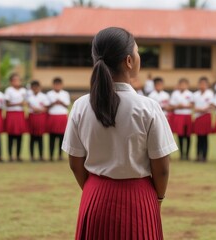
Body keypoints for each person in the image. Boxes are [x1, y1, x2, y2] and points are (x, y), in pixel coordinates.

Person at [62, 27, 177, 239]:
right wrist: (158, 199)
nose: (139, 56)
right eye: (137, 51)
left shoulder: (80, 105)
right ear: (129, 61)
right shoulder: (148, 107)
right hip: (139, 199)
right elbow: (161, 167)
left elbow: (75, 162)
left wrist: (93, 190)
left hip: (94, 195)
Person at [4, 73, 27, 162]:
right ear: (11, 82)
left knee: (20, 136)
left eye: (18, 80)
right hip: (11, 114)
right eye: (15, 80)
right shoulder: (8, 90)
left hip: (20, 114)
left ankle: (18, 155)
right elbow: (7, 103)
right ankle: (10, 155)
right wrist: (19, 103)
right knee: (10, 135)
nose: (17, 82)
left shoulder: (23, 90)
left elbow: (26, 102)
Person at [46, 77, 70, 161]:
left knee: (61, 137)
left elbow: (67, 105)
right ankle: (51, 155)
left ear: (61, 85)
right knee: (52, 137)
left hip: (62, 116)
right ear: (53, 85)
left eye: (59, 85)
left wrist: (61, 102)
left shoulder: (65, 94)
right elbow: (47, 106)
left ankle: (60, 155)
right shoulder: (49, 94)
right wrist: (54, 103)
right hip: (53, 116)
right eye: (56, 85)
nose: (57, 86)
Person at [170, 78, 193, 160]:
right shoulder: (175, 94)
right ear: (179, 85)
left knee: (188, 135)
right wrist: (177, 106)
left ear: (187, 85)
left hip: (187, 115)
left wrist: (183, 106)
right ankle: (181, 154)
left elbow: (192, 105)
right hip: (179, 115)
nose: (183, 86)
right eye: (181, 84)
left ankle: (187, 154)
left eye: (184, 84)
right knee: (180, 135)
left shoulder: (190, 94)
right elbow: (172, 105)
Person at [193, 76, 214, 162]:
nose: (202, 86)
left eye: (204, 84)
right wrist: (199, 109)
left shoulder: (210, 94)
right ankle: (198, 155)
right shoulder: (195, 94)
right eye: (201, 84)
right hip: (198, 117)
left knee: (205, 137)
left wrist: (203, 109)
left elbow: (211, 105)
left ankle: (204, 156)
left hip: (206, 116)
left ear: (207, 85)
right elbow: (193, 106)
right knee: (198, 137)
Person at [27, 80, 49, 162]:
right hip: (32, 117)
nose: (35, 89)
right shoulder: (29, 97)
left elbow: (46, 107)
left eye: (37, 88)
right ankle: (32, 156)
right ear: (31, 88)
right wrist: (34, 109)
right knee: (32, 137)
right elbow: (28, 105)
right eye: (34, 88)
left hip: (40, 117)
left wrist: (39, 110)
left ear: (40, 88)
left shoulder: (43, 96)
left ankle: (41, 155)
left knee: (40, 137)